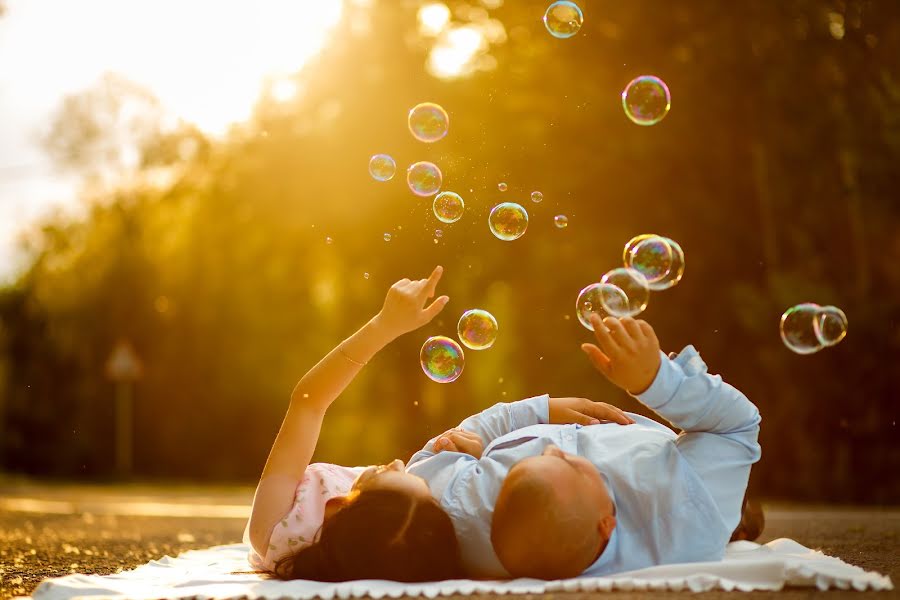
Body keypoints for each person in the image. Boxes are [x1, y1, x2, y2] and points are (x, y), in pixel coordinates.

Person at [407, 312, 762, 580]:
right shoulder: (689, 510)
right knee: (727, 501)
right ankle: (740, 514)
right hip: (692, 473)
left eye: (521, 461)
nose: (554, 447)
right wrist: (657, 383)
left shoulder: (466, 513)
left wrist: (538, 412)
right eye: (573, 464)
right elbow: (737, 424)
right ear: (607, 524)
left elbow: (425, 462)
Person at [242, 266, 463, 582]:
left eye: (389, 474)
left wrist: (384, 326)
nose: (401, 462)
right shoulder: (412, 537)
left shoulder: (276, 526)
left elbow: (308, 402)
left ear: (338, 505)